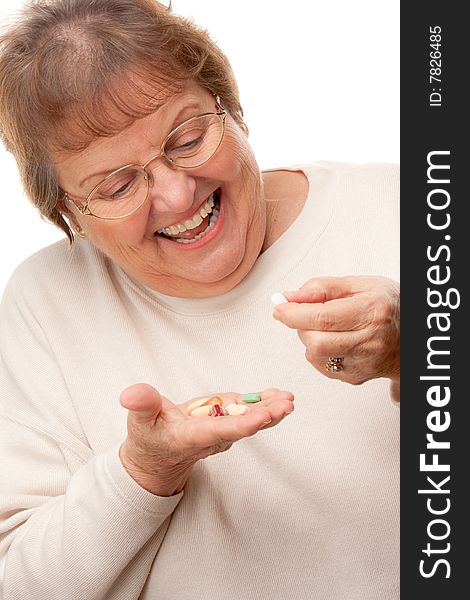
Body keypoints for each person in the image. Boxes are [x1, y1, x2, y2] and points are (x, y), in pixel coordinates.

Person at [0, 1, 400, 598]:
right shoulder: (46, 303)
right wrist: (145, 472)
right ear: (67, 213)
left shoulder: (403, 208)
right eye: (117, 185)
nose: (178, 194)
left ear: (232, 107)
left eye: (187, 139)